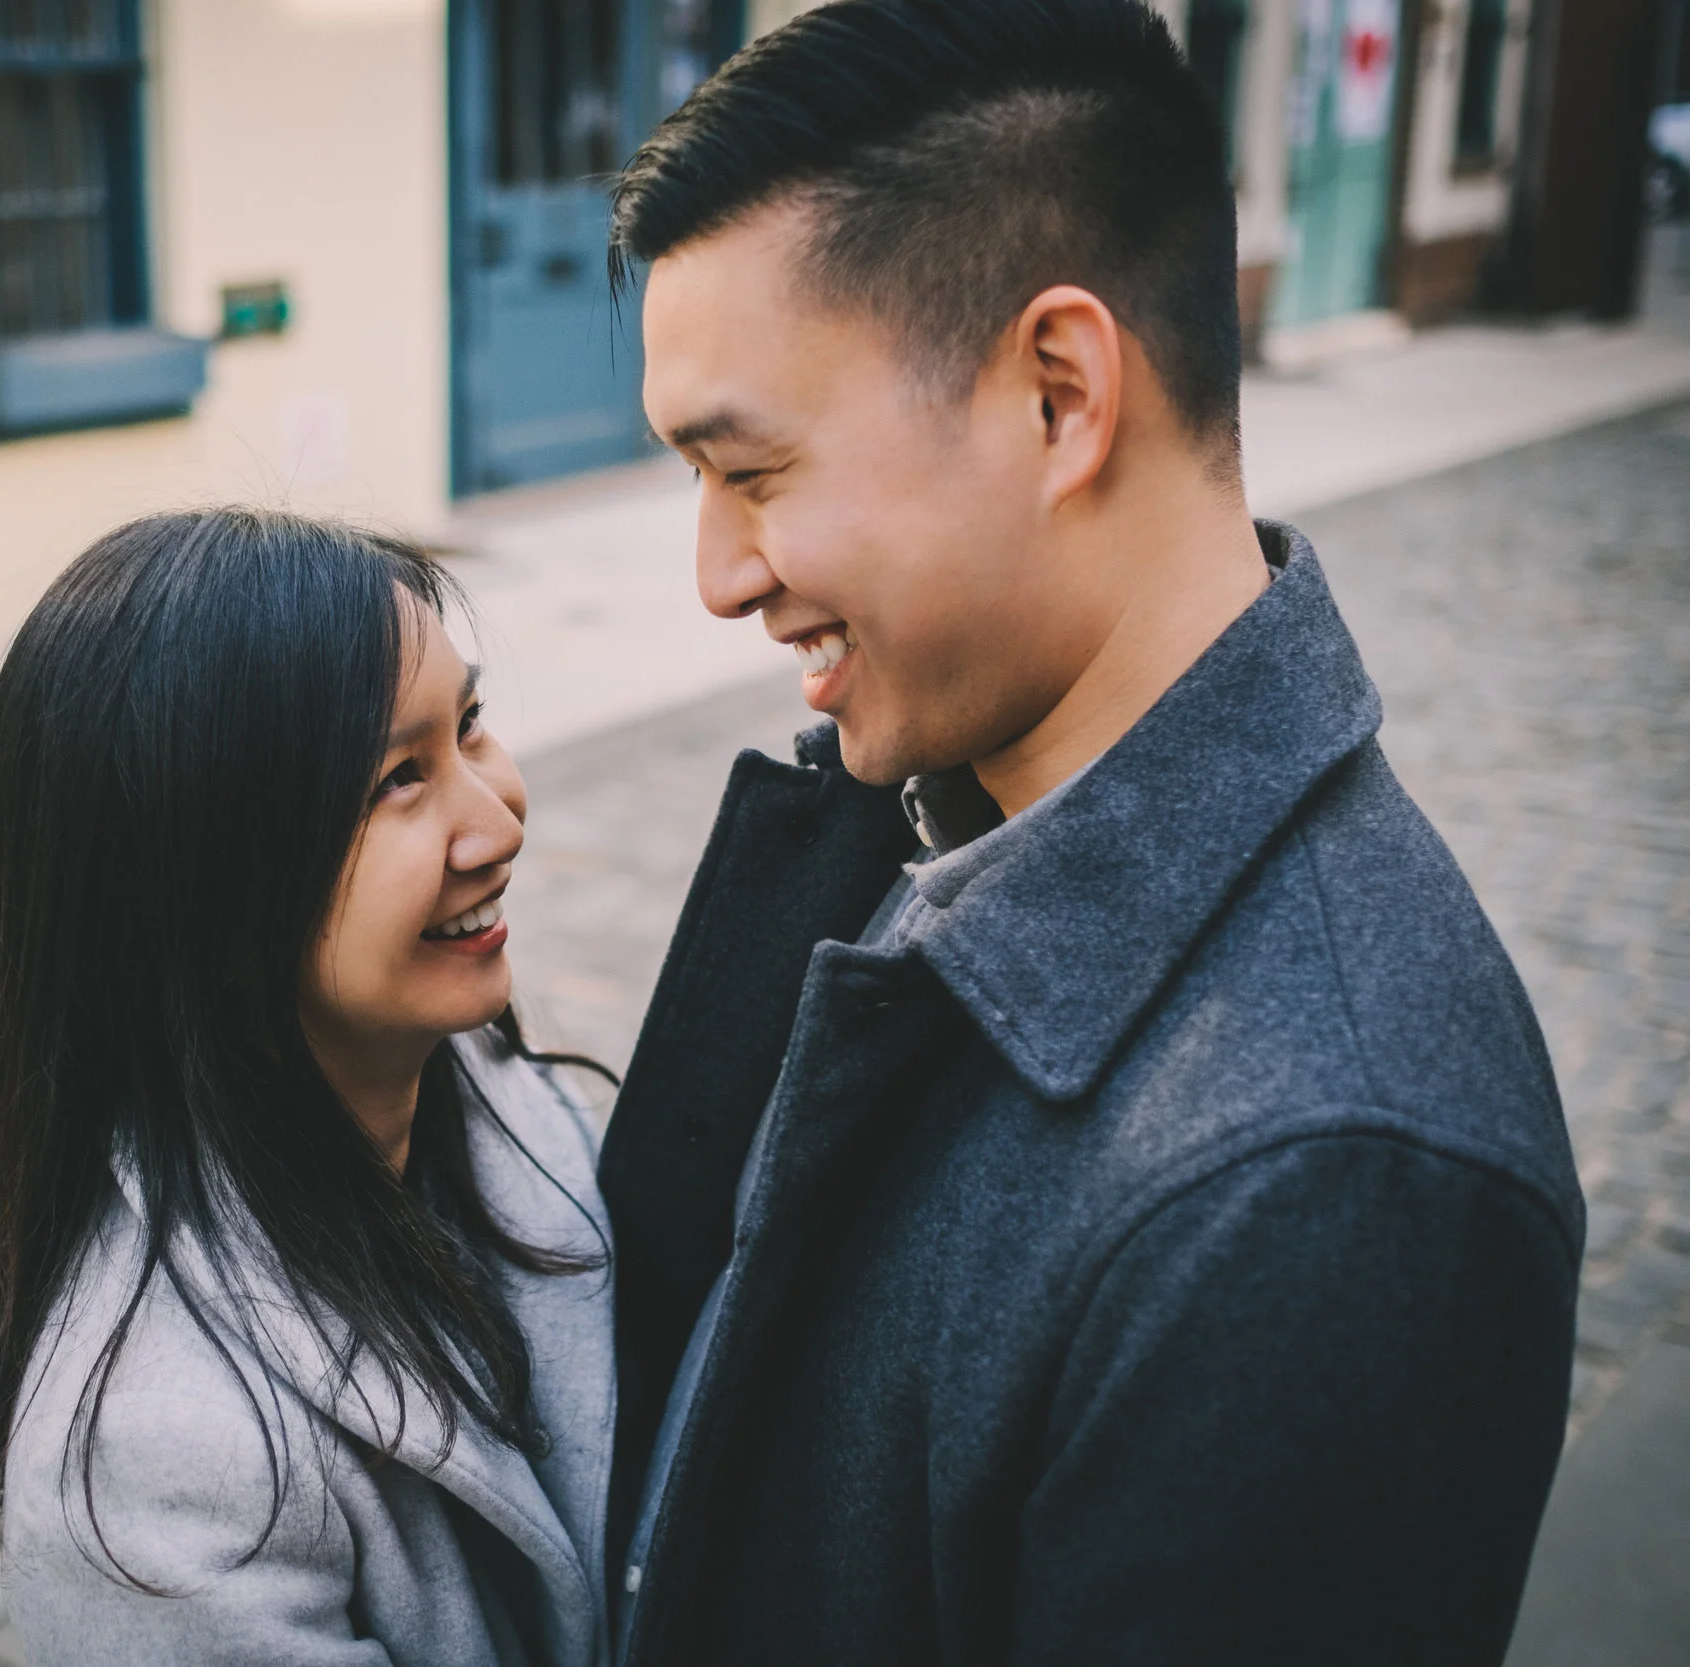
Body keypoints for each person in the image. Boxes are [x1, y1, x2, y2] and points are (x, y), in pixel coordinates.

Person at [597, 2, 1585, 1663]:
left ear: (1059, 395)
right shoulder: (924, 806)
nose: (717, 575)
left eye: (748, 470)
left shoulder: (1324, 1182)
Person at [0, 509, 617, 1666]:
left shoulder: (501, 1099)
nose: (494, 820)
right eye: (399, 776)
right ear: (202, 884)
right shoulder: (156, 1468)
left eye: (472, 726)